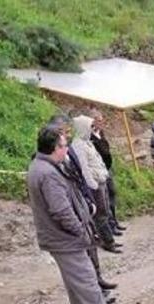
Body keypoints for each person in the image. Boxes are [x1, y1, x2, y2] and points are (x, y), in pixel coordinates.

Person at [26, 127, 132, 304]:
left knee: (74, 281)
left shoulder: (40, 166)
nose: (67, 150)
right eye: (64, 146)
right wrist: (79, 230)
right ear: (54, 148)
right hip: (64, 238)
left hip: (57, 237)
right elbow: (61, 211)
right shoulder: (47, 173)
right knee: (86, 277)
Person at [46, 115, 117, 292]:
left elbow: (79, 176)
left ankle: (99, 281)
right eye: (64, 131)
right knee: (84, 254)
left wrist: (87, 198)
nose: (67, 134)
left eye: (68, 130)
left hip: (82, 204)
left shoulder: (70, 150)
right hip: (73, 214)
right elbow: (81, 174)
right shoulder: (49, 165)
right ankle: (95, 291)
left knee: (91, 248)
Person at [71, 115, 120, 254]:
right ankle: (108, 242)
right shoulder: (78, 145)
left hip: (101, 180)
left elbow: (97, 160)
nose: (93, 129)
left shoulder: (87, 142)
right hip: (95, 184)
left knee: (105, 211)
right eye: (90, 126)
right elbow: (84, 167)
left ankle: (108, 239)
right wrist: (92, 184)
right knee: (101, 214)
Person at [89, 110, 126, 236]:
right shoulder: (89, 137)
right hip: (99, 171)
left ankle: (114, 222)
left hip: (107, 168)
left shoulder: (101, 133)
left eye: (101, 119)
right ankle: (110, 226)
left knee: (112, 195)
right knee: (104, 201)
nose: (101, 122)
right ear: (92, 121)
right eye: (98, 120)